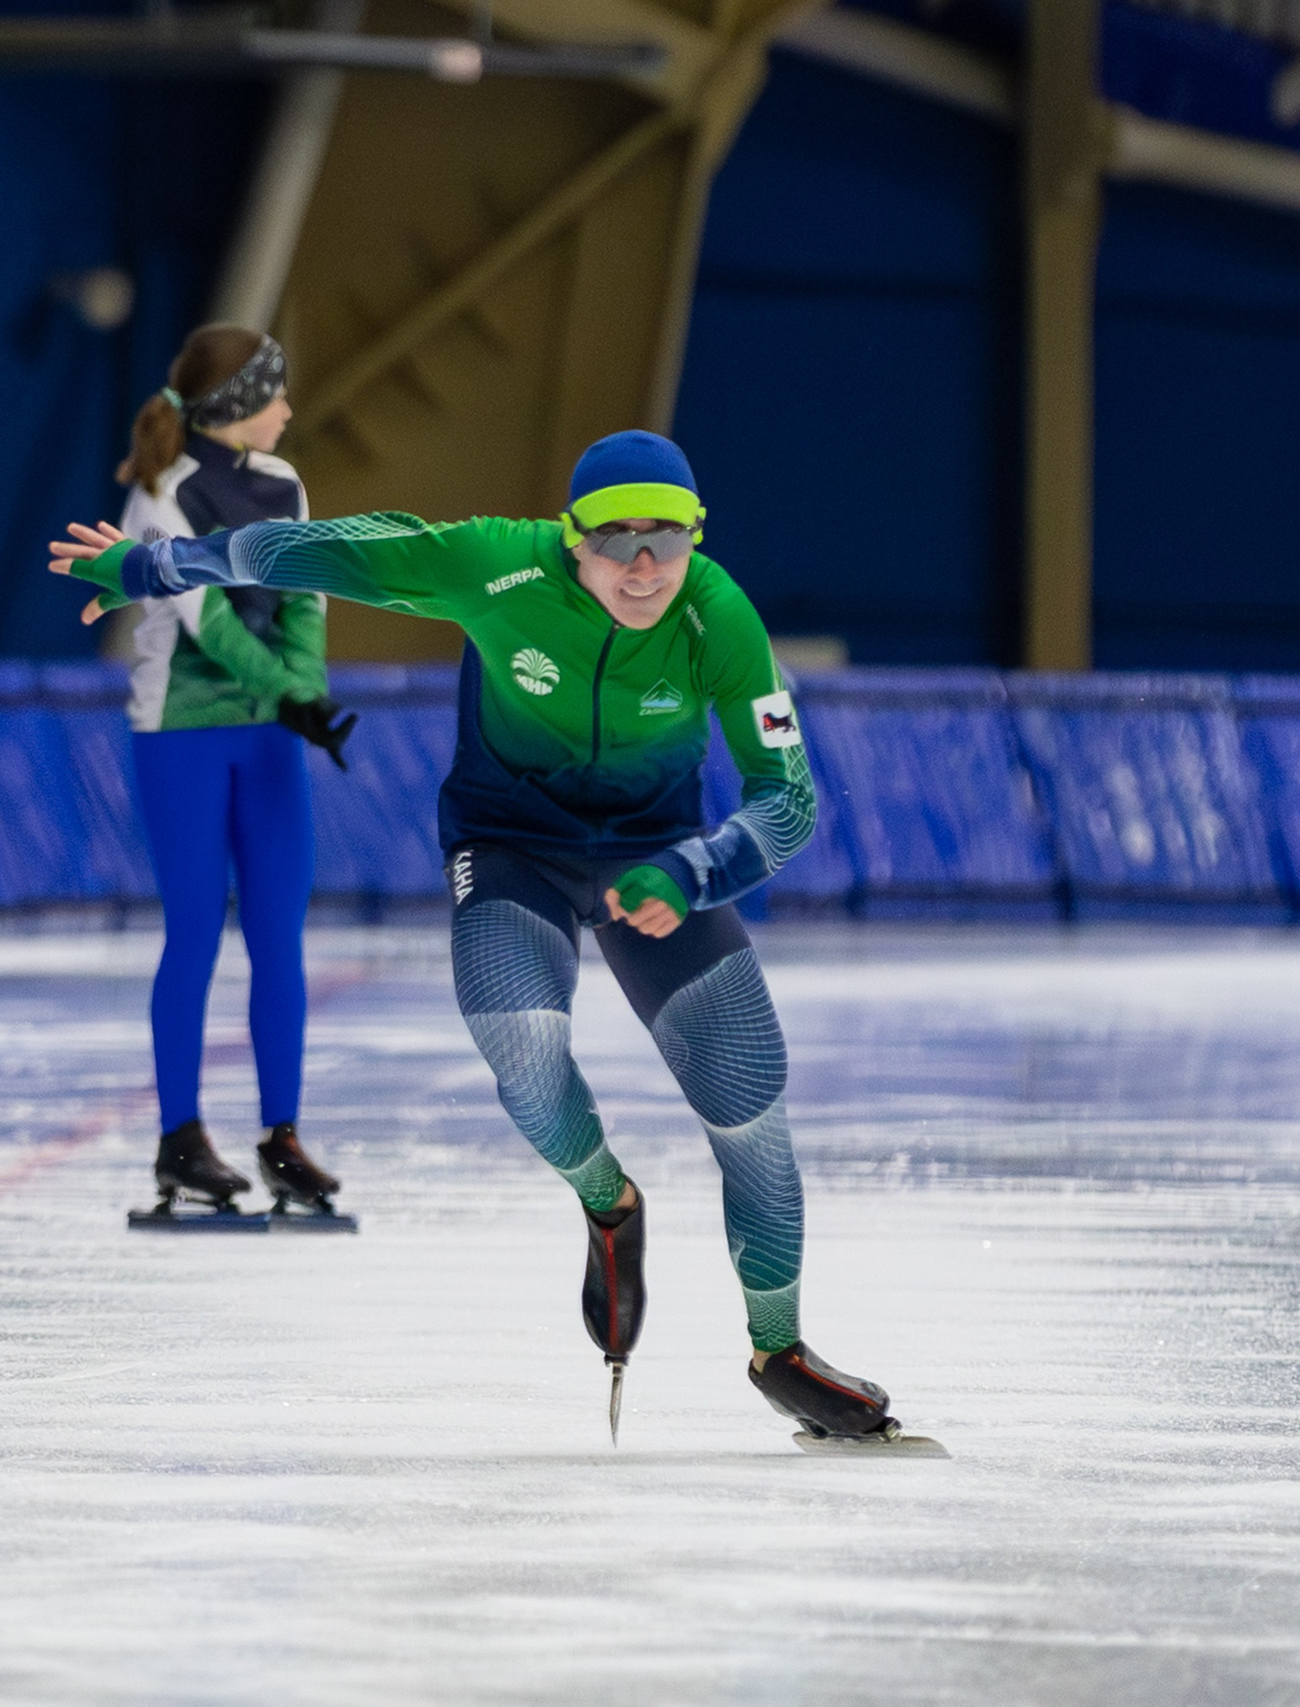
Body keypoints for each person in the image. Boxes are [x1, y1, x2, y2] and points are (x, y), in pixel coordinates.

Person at [50, 428, 909, 1444]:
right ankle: (606, 1200)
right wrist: (156, 563)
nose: (642, 568)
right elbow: (310, 549)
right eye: (617, 540)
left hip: (657, 859)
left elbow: (788, 801)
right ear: (570, 537)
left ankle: (782, 1350)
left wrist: (694, 870)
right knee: (522, 1044)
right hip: (512, 849)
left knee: (751, 1108)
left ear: (694, 539)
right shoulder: (491, 563)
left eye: (665, 541)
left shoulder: (718, 615)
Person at [115, 326, 356, 1219]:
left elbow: (305, 596)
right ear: (234, 406)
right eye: (276, 394)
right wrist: (289, 699)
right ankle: (181, 1137)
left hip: (269, 737)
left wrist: (307, 696)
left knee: (277, 933)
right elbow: (202, 619)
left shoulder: (286, 484)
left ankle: (282, 1139)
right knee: (193, 932)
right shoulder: (161, 493)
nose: (289, 411)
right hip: (182, 728)